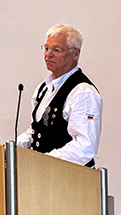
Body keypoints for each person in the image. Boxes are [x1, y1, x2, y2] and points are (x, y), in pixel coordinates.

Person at [17, 24, 103, 166]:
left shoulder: (83, 92)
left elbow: (84, 147)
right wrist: (12, 148)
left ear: (75, 54)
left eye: (56, 50)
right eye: (46, 48)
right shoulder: (43, 88)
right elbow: (37, 130)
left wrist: (43, 161)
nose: (48, 54)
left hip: (70, 175)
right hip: (44, 172)